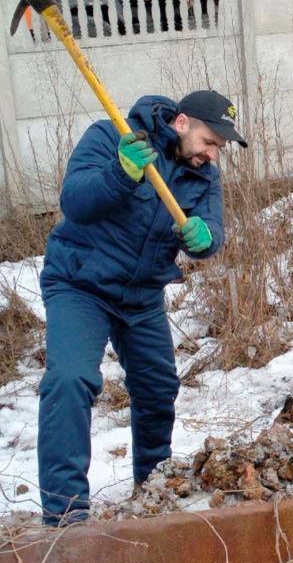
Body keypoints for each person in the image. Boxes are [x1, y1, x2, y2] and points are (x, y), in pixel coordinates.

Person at [36, 90, 246, 526]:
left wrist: (206, 237)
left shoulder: (202, 174)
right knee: (70, 380)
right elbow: (74, 202)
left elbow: (213, 225)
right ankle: (66, 519)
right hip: (81, 284)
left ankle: (152, 493)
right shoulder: (112, 137)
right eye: (210, 141)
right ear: (183, 123)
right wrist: (121, 173)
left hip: (141, 294)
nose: (213, 154)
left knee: (157, 389)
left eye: (220, 148)